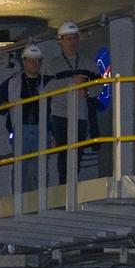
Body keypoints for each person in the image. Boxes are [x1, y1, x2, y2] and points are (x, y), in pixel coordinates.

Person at [0, 43, 48, 192]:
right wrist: (6, 104)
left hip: (41, 130)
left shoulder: (46, 82)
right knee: (20, 170)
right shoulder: (13, 82)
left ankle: (40, 202)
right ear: (24, 62)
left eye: (37, 60)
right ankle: (19, 202)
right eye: (31, 60)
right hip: (21, 130)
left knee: (39, 169)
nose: (35, 64)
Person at [48, 20, 98, 183]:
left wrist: (87, 91)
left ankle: (70, 190)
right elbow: (47, 87)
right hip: (61, 116)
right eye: (68, 39)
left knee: (76, 156)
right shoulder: (52, 64)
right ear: (60, 41)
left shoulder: (88, 63)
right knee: (64, 157)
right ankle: (64, 192)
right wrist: (71, 83)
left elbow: (100, 84)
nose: (72, 42)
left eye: (74, 38)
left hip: (81, 116)